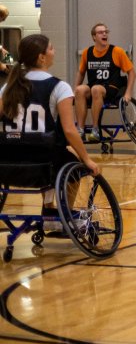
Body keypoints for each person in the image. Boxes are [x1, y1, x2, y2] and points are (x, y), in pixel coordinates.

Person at [0, 34, 101, 232]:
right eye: (52, 48)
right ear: (41, 57)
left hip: (6, 163)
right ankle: (63, 215)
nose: (54, 51)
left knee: (49, 154)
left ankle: (49, 208)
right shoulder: (59, 87)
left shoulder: (8, 86)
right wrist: (87, 159)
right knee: (73, 165)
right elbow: (70, 130)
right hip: (41, 164)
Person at [73, 22, 136, 140]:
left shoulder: (117, 51)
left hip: (111, 88)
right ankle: (80, 129)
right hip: (93, 88)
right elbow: (81, 72)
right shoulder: (87, 52)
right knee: (80, 90)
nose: (104, 34)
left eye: (106, 32)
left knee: (96, 89)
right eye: (101, 32)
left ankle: (95, 129)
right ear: (94, 37)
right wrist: (74, 91)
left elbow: (132, 73)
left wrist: (128, 93)